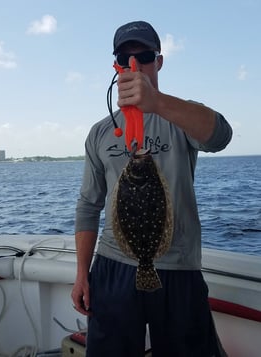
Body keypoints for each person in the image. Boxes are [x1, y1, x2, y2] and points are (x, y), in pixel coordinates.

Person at [71, 20, 232, 357]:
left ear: (159, 61)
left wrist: (157, 102)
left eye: (144, 56)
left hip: (179, 270)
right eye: (125, 57)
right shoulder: (100, 133)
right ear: (115, 65)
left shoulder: (180, 116)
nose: (135, 65)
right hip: (113, 268)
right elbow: (89, 205)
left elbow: (220, 137)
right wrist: (81, 274)